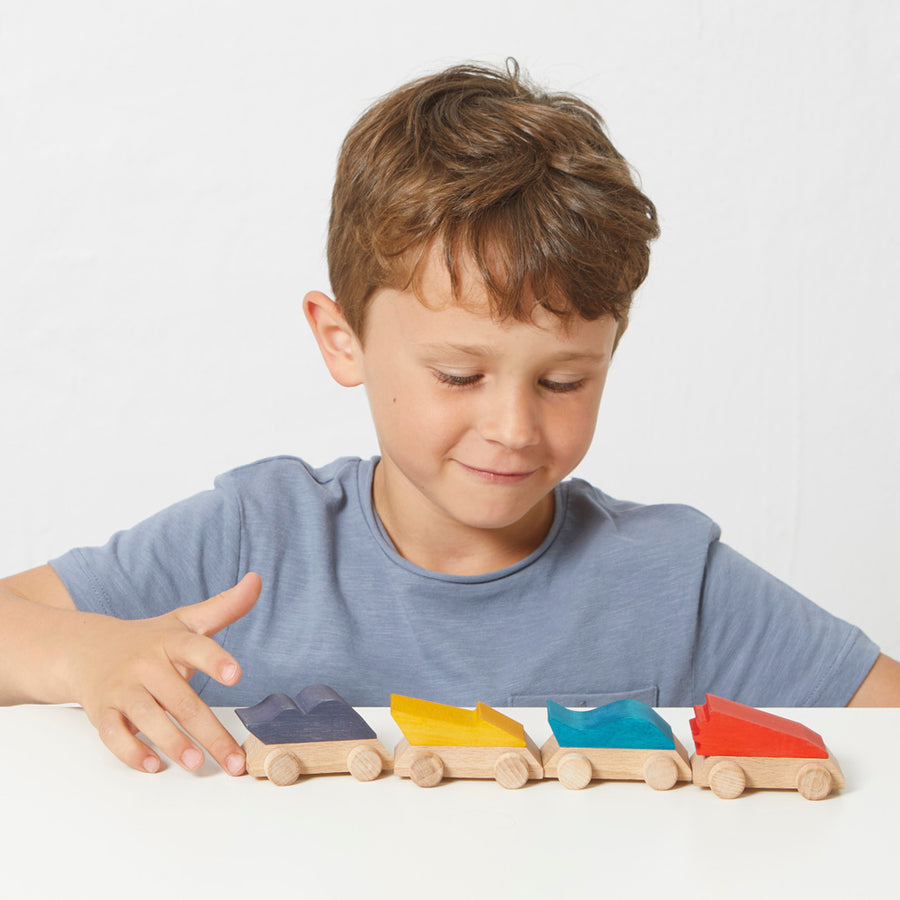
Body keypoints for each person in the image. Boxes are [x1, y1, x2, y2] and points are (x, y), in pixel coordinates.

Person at [1, 61, 898, 778]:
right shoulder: (255, 539)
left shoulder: (670, 579)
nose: (512, 425)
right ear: (342, 339)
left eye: (563, 381)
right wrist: (88, 654)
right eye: (460, 373)